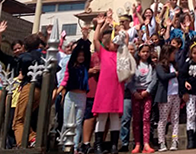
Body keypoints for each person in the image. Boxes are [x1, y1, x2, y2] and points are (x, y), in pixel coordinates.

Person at [92, 11, 127, 154]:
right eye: (113, 42)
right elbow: (95, 40)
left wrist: (118, 27)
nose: (116, 44)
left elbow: (126, 39)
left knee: (114, 116)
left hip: (116, 88)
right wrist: (100, 25)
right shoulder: (104, 53)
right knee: (102, 116)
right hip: (104, 89)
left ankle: (113, 145)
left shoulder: (121, 54)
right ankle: (98, 145)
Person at [61, 39, 91, 152]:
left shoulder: (85, 66)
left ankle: (74, 147)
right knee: (67, 122)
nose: (81, 58)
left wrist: (85, 39)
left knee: (78, 123)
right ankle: (65, 146)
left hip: (81, 96)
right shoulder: (71, 65)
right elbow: (74, 54)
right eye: (79, 56)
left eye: (82, 56)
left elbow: (87, 53)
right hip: (71, 95)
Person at [128, 44, 157, 153]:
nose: (145, 53)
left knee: (146, 119)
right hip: (136, 93)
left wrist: (147, 91)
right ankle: (137, 144)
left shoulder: (152, 65)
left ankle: (146, 143)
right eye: (143, 51)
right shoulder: (134, 65)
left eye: (147, 52)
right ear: (139, 53)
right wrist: (134, 92)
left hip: (147, 93)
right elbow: (129, 79)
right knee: (136, 119)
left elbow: (154, 80)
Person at [155, 45, 181, 152]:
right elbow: (163, 77)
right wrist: (174, 74)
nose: (174, 55)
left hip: (176, 95)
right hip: (166, 95)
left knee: (175, 118)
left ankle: (175, 140)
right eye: (173, 53)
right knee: (163, 119)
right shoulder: (160, 66)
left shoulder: (174, 65)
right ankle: (161, 142)